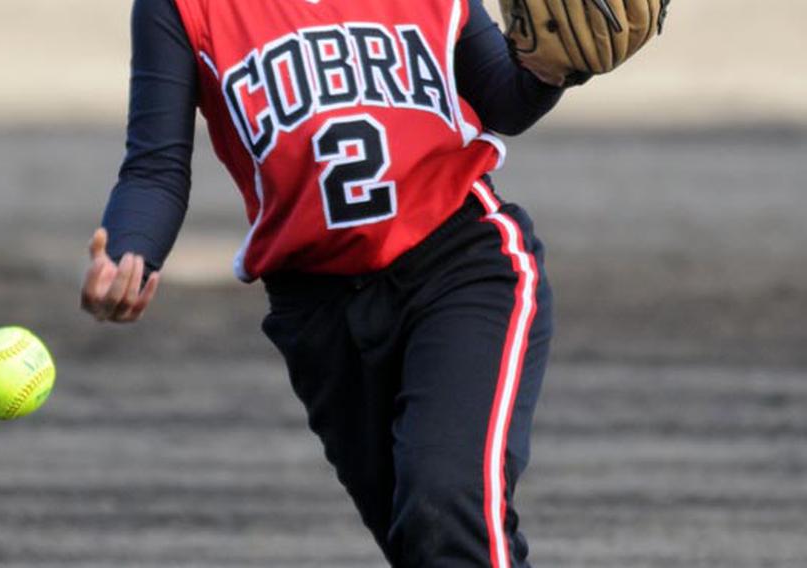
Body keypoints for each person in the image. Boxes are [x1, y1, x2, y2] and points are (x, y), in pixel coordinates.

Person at [80, 0, 563, 565]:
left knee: (448, 509)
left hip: (459, 268)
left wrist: (554, 69)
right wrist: (128, 251)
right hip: (318, 316)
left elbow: (504, 99)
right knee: (424, 543)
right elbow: (155, 169)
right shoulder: (184, 8)